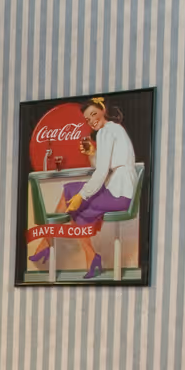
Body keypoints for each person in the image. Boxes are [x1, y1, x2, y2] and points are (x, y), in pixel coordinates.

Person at [28, 97, 137, 279]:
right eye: (87, 119)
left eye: (94, 114)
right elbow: (106, 166)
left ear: (103, 110)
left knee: (72, 195)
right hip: (122, 191)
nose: (91, 120)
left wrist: (83, 195)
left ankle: (47, 243)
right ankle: (89, 256)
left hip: (119, 193)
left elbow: (102, 173)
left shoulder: (105, 132)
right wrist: (93, 154)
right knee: (73, 203)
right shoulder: (113, 130)